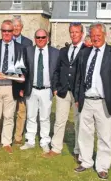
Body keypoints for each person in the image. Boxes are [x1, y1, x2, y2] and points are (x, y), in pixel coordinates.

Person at [74, 22, 111, 180]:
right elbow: (79, 76)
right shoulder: (85, 53)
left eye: (98, 35)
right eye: (92, 35)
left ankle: (102, 166)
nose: (95, 38)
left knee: (104, 136)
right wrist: (78, 96)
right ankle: (86, 162)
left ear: (104, 35)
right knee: (84, 133)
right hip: (86, 99)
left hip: (104, 101)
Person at [0, 20, 26, 154]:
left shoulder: (20, 47)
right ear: (1, 31)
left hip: (11, 86)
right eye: (4, 31)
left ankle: (6, 142)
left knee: (9, 116)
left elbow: (23, 67)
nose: (7, 33)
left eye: (9, 31)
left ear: (14, 32)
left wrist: (20, 79)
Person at [45, 22, 85, 159]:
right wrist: (55, 88)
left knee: (79, 122)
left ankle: (78, 150)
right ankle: (56, 148)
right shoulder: (63, 51)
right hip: (62, 91)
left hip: (78, 93)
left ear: (82, 33)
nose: (74, 34)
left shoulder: (87, 50)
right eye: (72, 32)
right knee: (59, 120)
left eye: (76, 32)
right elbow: (56, 71)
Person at [19, 29, 59, 154]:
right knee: (31, 116)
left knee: (45, 117)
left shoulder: (55, 52)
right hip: (32, 88)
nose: (40, 40)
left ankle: (44, 141)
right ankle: (30, 140)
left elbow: (57, 72)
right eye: (38, 37)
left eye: (43, 37)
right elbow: (23, 70)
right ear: (35, 38)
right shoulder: (29, 51)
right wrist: (22, 87)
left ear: (47, 38)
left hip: (47, 90)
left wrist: (55, 87)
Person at [11, 17, 33, 144]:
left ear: (22, 27)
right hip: (8, 80)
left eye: (18, 26)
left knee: (21, 110)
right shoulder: (6, 40)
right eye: (14, 25)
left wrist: (24, 86)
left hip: (21, 81)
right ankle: (6, 134)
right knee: (8, 111)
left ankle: (18, 136)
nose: (16, 28)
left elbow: (28, 65)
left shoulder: (28, 43)